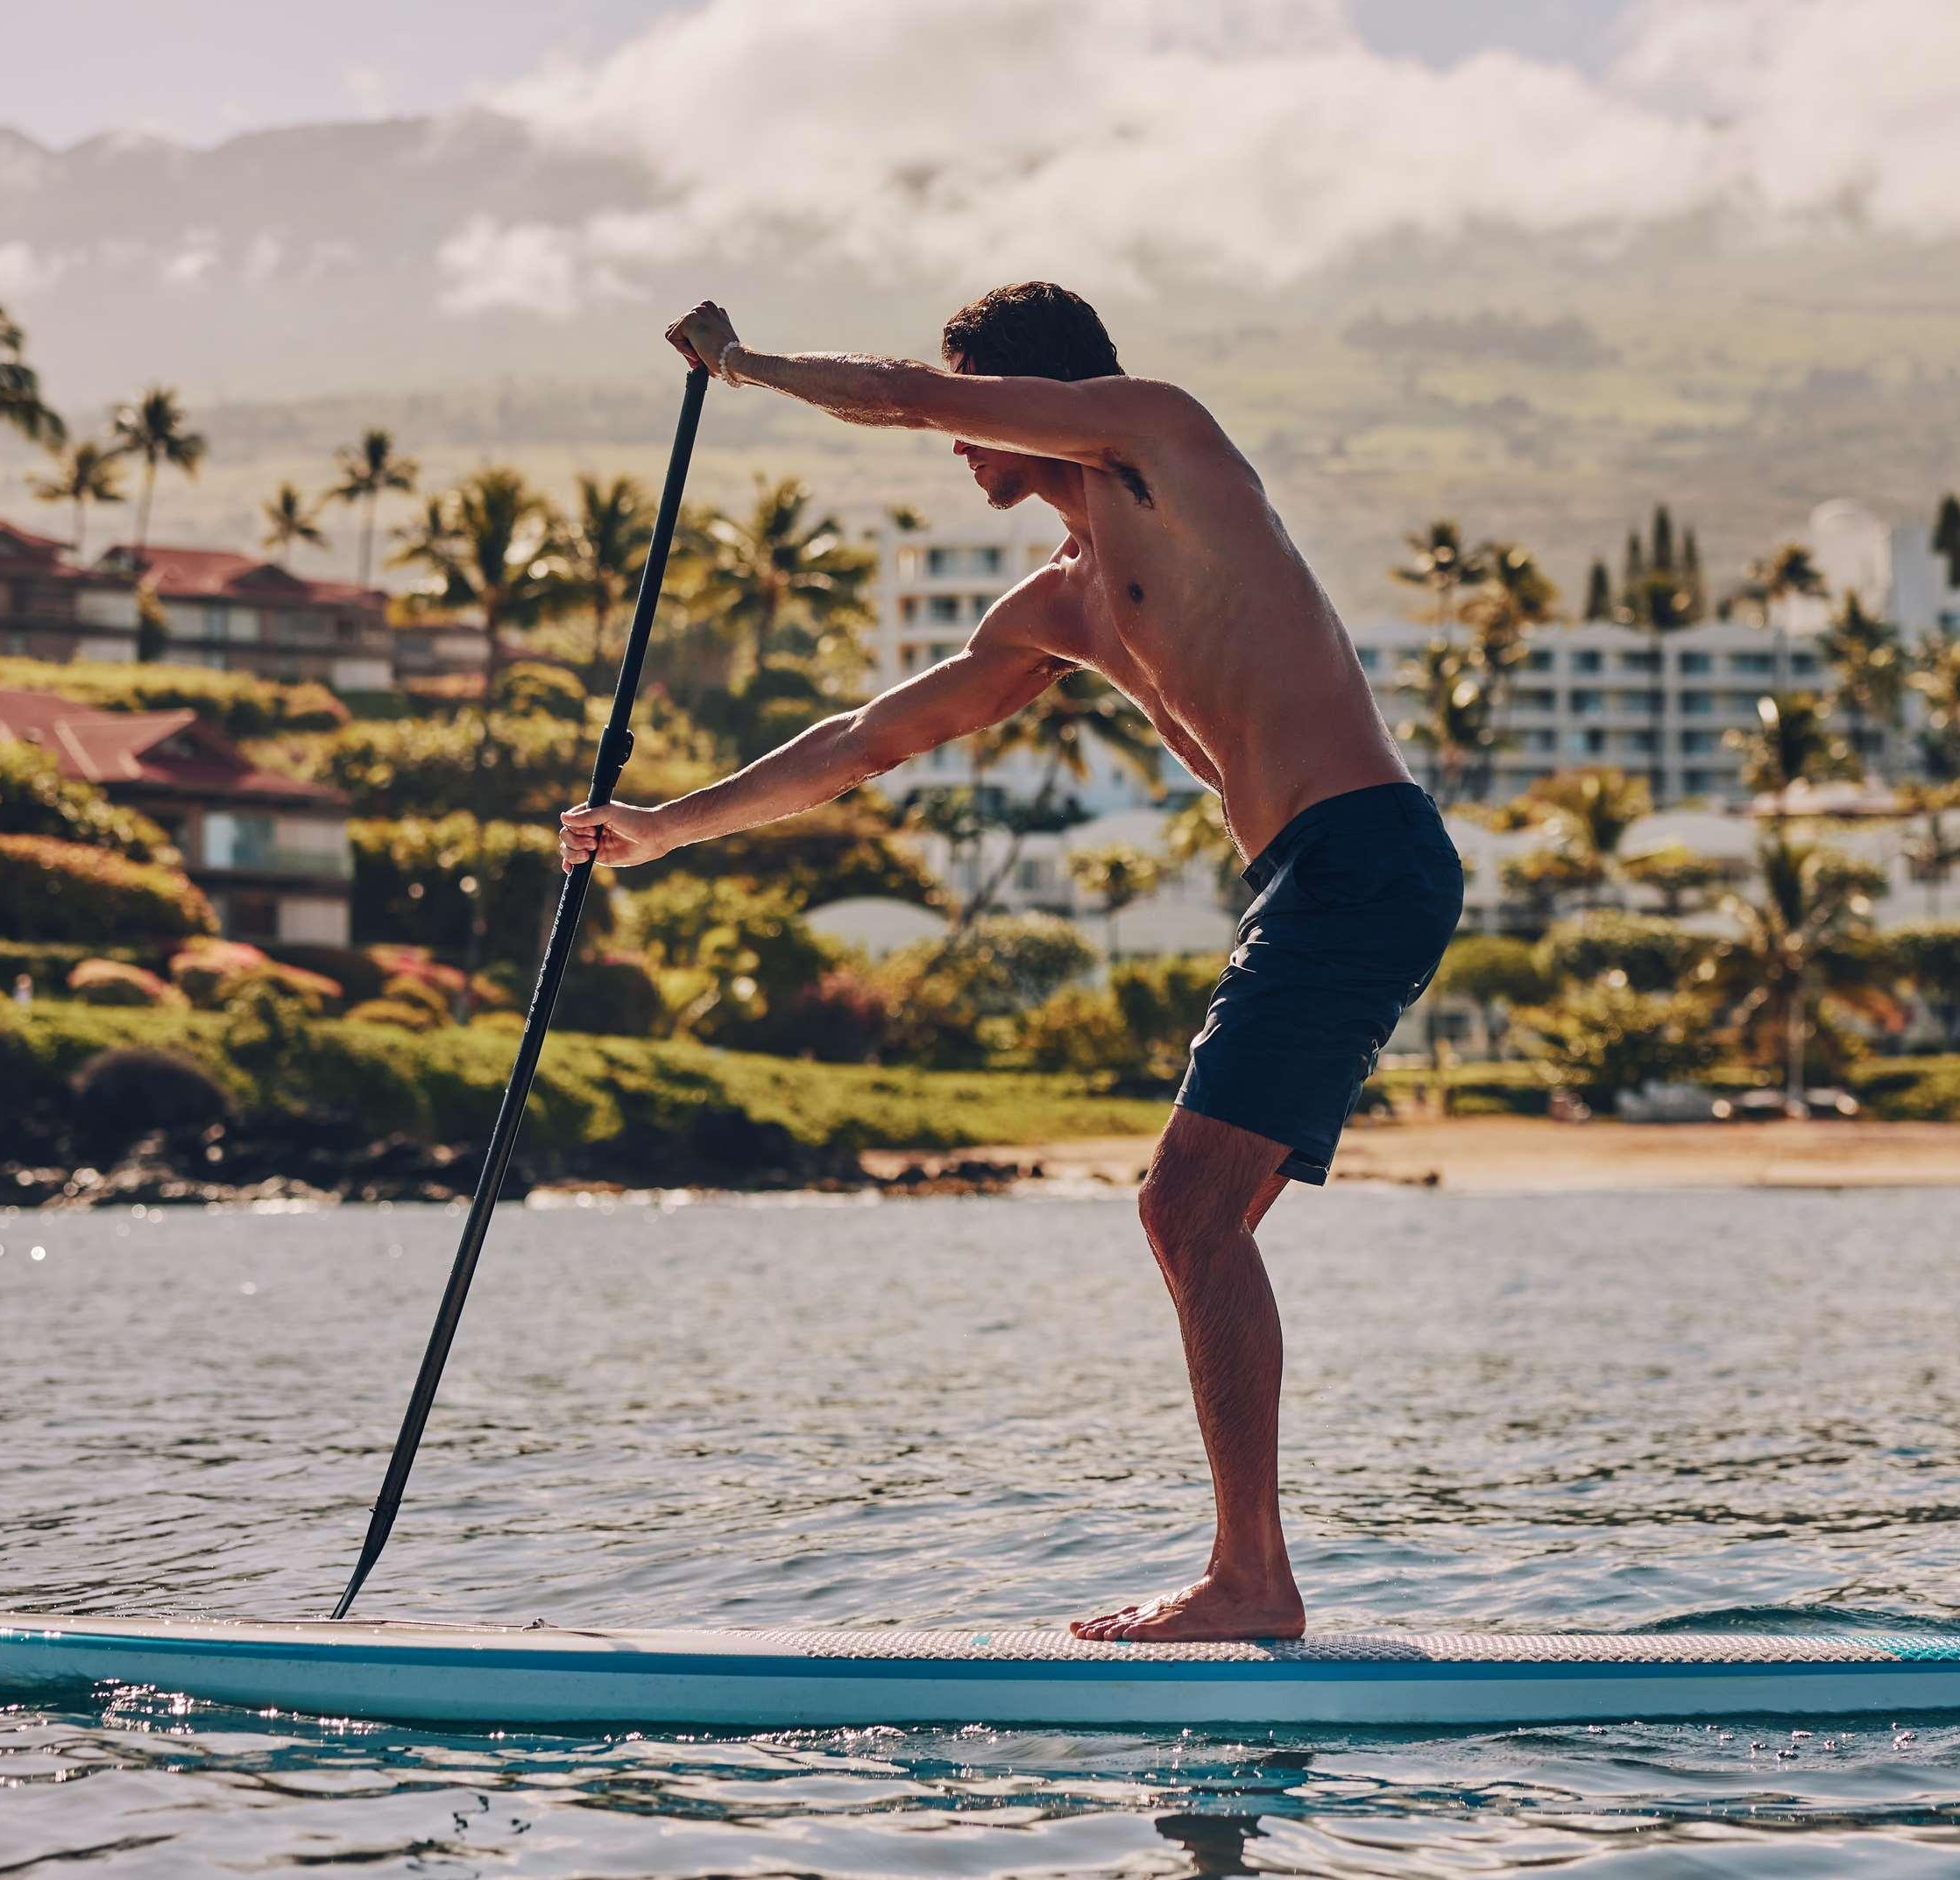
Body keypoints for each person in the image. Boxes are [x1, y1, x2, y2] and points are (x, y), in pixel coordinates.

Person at [561, 283, 1464, 1642]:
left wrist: (742, 366)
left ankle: (1250, 1585)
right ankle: (1252, 1574)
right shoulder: (1064, 604)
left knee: (1186, 1215)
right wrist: (663, 830)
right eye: (954, 409)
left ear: (1029, 394)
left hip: (1361, 858)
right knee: (1193, 1221)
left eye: (971, 405)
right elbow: (869, 737)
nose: (956, 443)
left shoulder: (1166, 441)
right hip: (1314, 881)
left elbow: (913, 397)